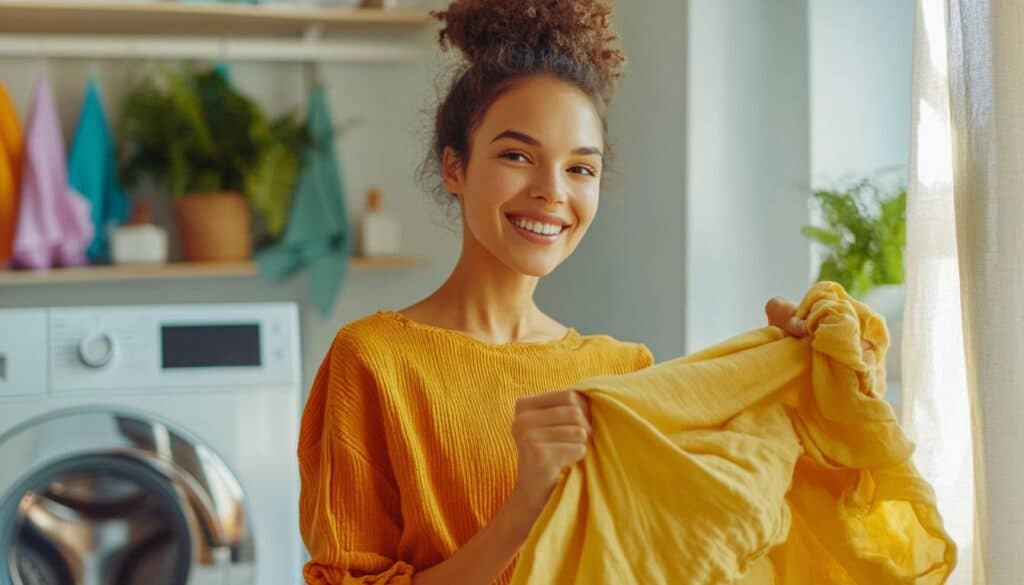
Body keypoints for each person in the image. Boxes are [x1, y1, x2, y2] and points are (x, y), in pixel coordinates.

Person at [297, 1, 815, 583]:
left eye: (580, 169)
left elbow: (704, 544)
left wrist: (793, 373)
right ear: (455, 168)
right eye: (517, 155)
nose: (551, 191)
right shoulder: (373, 362)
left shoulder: (623, 372)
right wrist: (524, 507)